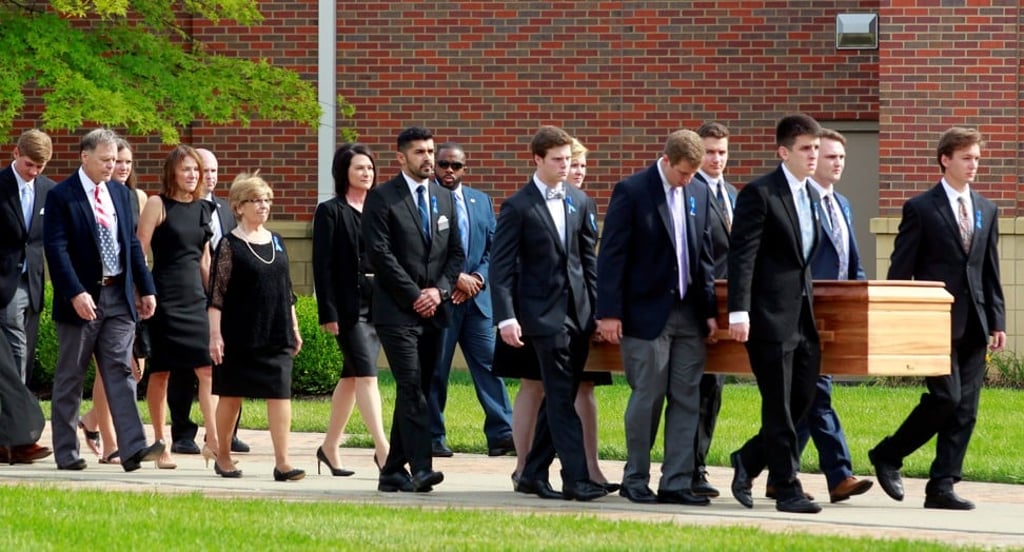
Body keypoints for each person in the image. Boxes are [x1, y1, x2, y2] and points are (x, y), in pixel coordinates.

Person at [869, 127, 1005, 510]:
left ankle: (942, 485)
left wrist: (997, 320)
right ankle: (889, 454)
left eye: (977, 158)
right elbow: (901, 269)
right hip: (934, 322)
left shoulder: (987, 209)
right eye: (967, 157)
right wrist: (899, 318)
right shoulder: (921, 208)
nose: (974, 165)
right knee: (946, 397)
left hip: (976, 322)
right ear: (945, 159)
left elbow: (989, 270)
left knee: (967, 408)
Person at [597, 129, 717, 506]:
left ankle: (677, 481)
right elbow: (612, 256)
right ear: (666, 161)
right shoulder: (632, 192)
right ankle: (636, 478)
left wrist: (710, 311)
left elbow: (704, 258)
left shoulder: (699, 193)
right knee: (648, 395)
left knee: (687, 396)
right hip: (644, 314)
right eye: (683, 173)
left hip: (689, 314)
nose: (688, 180)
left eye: (694, 173)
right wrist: (609, 313)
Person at [491, 125, 607, 502]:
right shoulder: (518, 206)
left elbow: (588, 263)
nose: (565, 166)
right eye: (557, 159)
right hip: (541, 317)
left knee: (561, 394)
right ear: (537, 160)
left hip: (579, 317)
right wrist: (506, 317)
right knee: (559, 398)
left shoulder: (580, 201)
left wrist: (597, 313)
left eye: (568, 159)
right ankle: (576, 479)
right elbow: (502, 267)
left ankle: (532, 474)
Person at [44, 128, 164, 472]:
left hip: (118, 297)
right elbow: (56, 248)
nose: (112, 167)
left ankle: (132, 449)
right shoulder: (62, 196)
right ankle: (66, 452)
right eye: (106, 160)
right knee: (71, 376)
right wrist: (74, 292)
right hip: (82, 299)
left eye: (116, 160)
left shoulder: (120, 194)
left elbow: (130, 245)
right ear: (86, 157)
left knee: (121, 371)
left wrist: (147, 288)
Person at [726, 114, 824, 514]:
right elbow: (742, 256)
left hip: (804, 315)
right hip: (767, 317)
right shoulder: (760, 193)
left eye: (816, 148)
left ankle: (748, 459)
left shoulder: (813, 195)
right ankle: (786, 487)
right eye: (805, 149)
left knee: (803, 396)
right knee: (779, 404)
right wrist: (739, 310)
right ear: (784, 152)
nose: (813, 156)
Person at [361, 126, 464, 493]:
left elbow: (456, 254)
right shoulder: (382, 198)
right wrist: (413, 295)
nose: (428, 158)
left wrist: (438, 291)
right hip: (396, 311)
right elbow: (380, 255)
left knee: (422, 386)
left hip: (435, 310)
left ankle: (391, 471)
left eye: (431, 151)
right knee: (409, 385)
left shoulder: (445, 197)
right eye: (420, 152)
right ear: (401, 157)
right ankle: (421, 468)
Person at [208, 171, 304, 481]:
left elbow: (286, 289)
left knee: (280, 394)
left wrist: (294, 325)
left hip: (276, 331)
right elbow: (217, 295)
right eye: (256, 200)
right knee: (231, 395)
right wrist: (215, 335)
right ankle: (222, 453)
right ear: (238, 206)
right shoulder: (228, 245)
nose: (263, 206)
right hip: (239, 334)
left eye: (267, 200)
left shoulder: (276, 240)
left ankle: (283, 462)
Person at [797, 128, 874, 503]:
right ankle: (840, 475)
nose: (837, 163)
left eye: (841, 157)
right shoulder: (800, 202)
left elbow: (851, 260)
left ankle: (754, 463)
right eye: (830, 157)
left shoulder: (842, 203)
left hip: (835, 312)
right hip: (806, 313)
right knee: (817, 395)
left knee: (804, 400)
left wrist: (858, 300)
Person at [427, 142, 514, 459]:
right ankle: (433, 436)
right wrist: (454, 280)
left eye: (456, 166)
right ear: (435, 166)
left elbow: (496, 248)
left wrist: (477, 278)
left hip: (477, 301)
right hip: (443, 300)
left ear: (465, 168)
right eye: (444, 164)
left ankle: (502, 433)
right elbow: (424, 250)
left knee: (491, 366)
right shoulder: (427, 199)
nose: (449, 171)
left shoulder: (481, 201)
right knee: (436, 369)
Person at [136, 145, 218, 470]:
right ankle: (161, 442)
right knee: (161, 372)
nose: (193, 175)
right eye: (186, 169)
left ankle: (213, 440)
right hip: (164, 296)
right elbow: (139, 251)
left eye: (196, 170)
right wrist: (143, 292)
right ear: (172, 171)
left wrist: (218, 298)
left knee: (208, 369)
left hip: (195, 298)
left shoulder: (202, 209)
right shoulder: (158, 204)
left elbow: (204, 259)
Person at [166, 147, 250, 456]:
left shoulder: (226, 209)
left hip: (224, 295)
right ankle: (183, 431)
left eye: (214, 170)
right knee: (184, 367)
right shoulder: (179, 207)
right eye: (204, 169)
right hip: (188, 293)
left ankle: (227, 431)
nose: (209, 176)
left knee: (223, 363)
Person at [312, 143, 390, 475]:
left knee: (352, 377)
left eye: (370, 168)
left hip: (380, 303)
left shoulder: (380, 208)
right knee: (368, 376)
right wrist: (327, 312)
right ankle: (384, 450)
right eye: (359, 168)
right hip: (347, 307)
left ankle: (329, 446)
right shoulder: (330, 211)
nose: (366, 173)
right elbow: (322, 265)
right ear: (344, 172)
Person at [79, 137, 147, 464]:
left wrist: (145, 289)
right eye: (115, 161)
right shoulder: (86, 196)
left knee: (130, 370)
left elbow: (137, 249)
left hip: (127, 293)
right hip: (95, 293)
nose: (120, 167)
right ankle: (110, 444)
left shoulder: (134, 198)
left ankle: (92, 421)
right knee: (110, 369)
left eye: (126, 163)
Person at [0, 128, 55, 464]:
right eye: (29, 164)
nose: (34, 171)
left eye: (40, 166)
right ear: (15, 152)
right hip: (4, 283)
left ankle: (9, 438)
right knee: (15, 356)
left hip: (33, 284)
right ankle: (22, 437)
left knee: (23, 359)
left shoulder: (49, 191)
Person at [690, 121, 736, 498]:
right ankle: (689, 469)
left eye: (721, 152)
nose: (716, 159)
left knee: (714, 391)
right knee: (695, 390)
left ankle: (699, 465)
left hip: (727, 306)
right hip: (694, 306)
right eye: (709, 151)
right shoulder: (688, 193)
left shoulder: (734, 194)